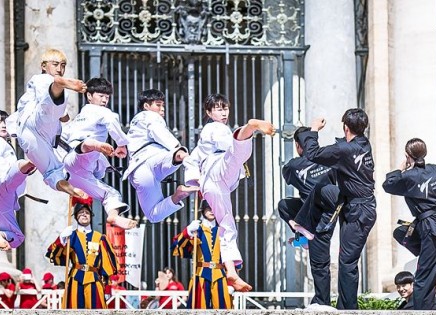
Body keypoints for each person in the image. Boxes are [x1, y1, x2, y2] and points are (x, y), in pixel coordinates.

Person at [182, 94, 276, 292]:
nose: (223, 112)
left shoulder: (204, 141)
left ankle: (231, 271)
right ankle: (249, 128)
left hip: (215, 183)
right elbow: (226, 147)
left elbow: (190, 161)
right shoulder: (214, 128)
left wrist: (196, 183)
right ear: (208, 113)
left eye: (225, 108)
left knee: (226, 224)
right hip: (217, 169)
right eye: (217, 108)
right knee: (236, 152)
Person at [294, 109, 376, 310]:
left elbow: (312, 154)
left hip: (360, 210)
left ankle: (348, 309)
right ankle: (304, 227)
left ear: (345, 127)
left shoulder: (344, 150)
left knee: (347, 263)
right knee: (321, 188)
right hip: (353, 204)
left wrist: (313, 130)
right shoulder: (363, 144)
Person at [384, 138, 436, 310]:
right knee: (400, 232)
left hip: (430, 225)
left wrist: (400, 168)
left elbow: (388, 184)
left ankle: (422, 311)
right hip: (432, 223)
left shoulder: (408, 176)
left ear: (407, 155)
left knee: (423, 275)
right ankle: (425, 254)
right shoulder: (435, 170)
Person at [6, 48, 89, 199]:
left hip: (27, 136)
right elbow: (47, 101)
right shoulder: (41, 79)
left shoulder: (39, 83)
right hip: (37, 121)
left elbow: (62, 116)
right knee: (48, 109)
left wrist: (68, 122)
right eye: (55, 64)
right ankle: (58, 86)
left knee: (52, 169)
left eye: (63, 65)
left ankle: (67, 187)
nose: (60, 68)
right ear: (44, 66)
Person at [61, 77, 136, 229]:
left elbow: (63, 135)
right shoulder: (103, 112)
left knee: (111, 194)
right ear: (89, 95)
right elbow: (112, 122)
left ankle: (114, 216)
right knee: (87, 149)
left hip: (73, 171)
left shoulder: (78, 119)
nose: (104, 100)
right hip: (82, 156)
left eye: (107, 97)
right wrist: (121, 144)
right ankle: (90, 144)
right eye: (101, 96)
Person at [278, 126, 340, 307]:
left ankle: (322, 302)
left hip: (319, 219)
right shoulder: (329, 160)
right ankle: (302, 237)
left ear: (298, 146)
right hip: (324, 211)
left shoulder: (291, 166)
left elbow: (288, 177)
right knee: (285, 205)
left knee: (319, 263)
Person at [125, 89, 198, 222]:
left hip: (139, 171)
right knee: (178, 155)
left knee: (154, 215)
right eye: (158, 105)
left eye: (163, 105)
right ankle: (182, 160)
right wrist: (176, 147)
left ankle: (178, 195)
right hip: (155, 159)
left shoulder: (134, 123)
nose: (162, 109)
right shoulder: (149, 116)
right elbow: (157, 131)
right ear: (146, 106)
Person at [45, 196, 118, 309]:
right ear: (75, 216)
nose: (84, 214)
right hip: (75, 279)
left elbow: (107, 266)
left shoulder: (100, 238)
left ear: (91, 216)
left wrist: (107, 289)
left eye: (87, 212)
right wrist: (61, 239)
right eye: (81, 212)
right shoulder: (71, 236)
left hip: (94, 279)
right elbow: (56, 257)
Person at [0, 110, 39, 250]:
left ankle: (1, 235)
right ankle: (31, 163)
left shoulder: (3, 143)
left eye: (6, 122)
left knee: (18, 238)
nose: (3, 125)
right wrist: (20, 168)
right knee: (17, 168)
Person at [171, 202, 233, 309]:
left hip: (220, 276)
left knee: (223, 308)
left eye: (214, 208)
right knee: (199, 308)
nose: (212, 211)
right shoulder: (197, 229)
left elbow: (232, 255)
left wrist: (231, 281)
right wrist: (188, 231)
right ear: (203, 210)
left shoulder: (223, 230)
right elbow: (177, 247)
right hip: (201, 275)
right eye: (208, 208)